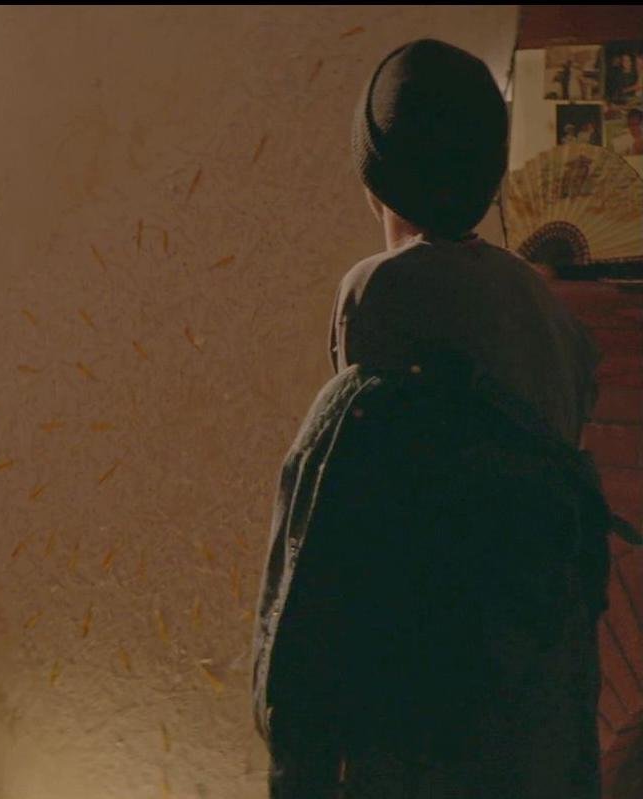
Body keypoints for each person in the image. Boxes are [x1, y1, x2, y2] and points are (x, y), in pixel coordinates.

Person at [255, 39, 629, 797]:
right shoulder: (548, 326)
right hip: (526, 716)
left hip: (405, 721)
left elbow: (305, 601)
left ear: (373, 181)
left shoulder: (373, 319)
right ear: (489, 181)